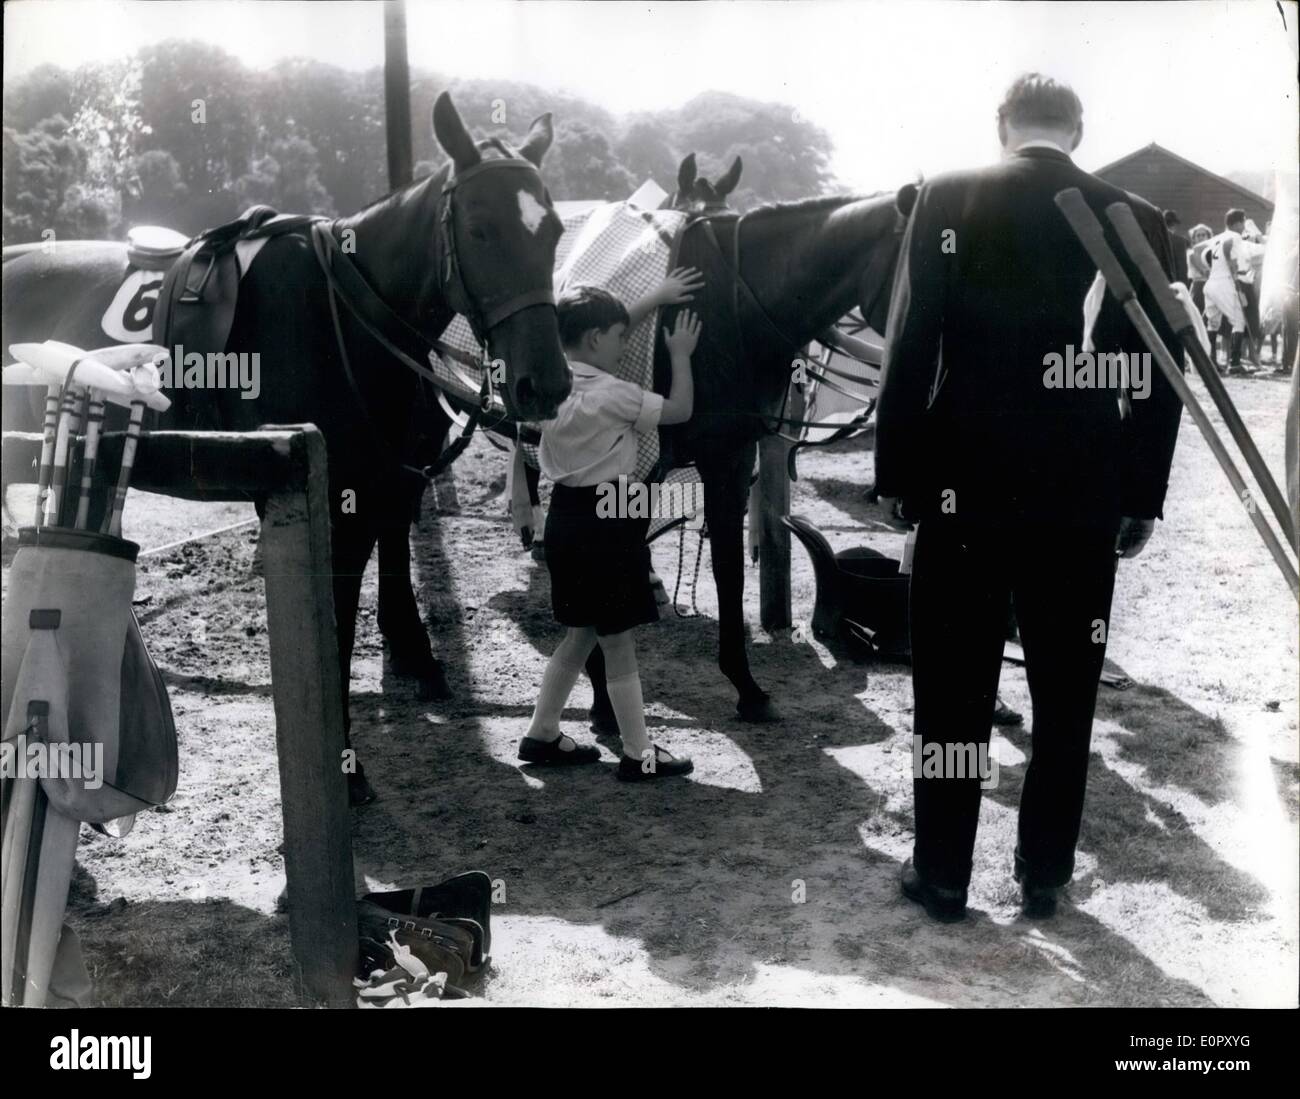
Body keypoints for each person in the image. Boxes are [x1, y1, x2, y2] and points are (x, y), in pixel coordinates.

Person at [874, 73, 1184, 922]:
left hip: (961, 484)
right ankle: (1043, 872)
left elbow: (913, 339)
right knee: (1066, 688)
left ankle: (942, 873)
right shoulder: (1137, 217)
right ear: (1079, 130)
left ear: (1000, 124)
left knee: (952, 689)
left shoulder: (949, 194)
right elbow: (1162, 372)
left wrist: (897, 470)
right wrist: (1141, 494)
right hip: (1080, 491)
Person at [518, 279, 703, 781]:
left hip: (564, 520)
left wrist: (651, 297)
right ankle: (639, 753)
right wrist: (680, 355)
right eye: (622, 337)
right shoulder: (616, 394)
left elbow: (586, 334)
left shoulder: (547, 385)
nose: (627, 347)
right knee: (617, 641)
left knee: (579, 634)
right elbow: (680, 410)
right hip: (609, 522)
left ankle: (542, 733)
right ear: (598, 339)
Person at [1204, 209, 1253, 374]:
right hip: (1225, 281)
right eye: (1243, 222)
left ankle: (1211, 362)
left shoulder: (1216, 237)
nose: (1244, 226)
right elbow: (1229, 251)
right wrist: (1234, 274)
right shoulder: (1234, 236)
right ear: (1237, 222)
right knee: (1238, 321)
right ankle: (1235, 363)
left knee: (1213, 323)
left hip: (1211, 281)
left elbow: (1202, 255)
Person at [1186, 223, 1213, 316]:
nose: (1201, 237)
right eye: (1198, 235)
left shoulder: (1213, 252)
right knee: (1197, 314)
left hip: (1211, 286)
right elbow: (1204, 272)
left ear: (1208, 237)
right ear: (1193, 238)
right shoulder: (1192, 253)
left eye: (1203, 235)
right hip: (1199, 286)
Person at [1165, 210, 1190, 286]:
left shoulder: (1152, 238)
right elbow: (1181, 267)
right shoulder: (1180, 241)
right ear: (1174, 225)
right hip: (1174, 282)